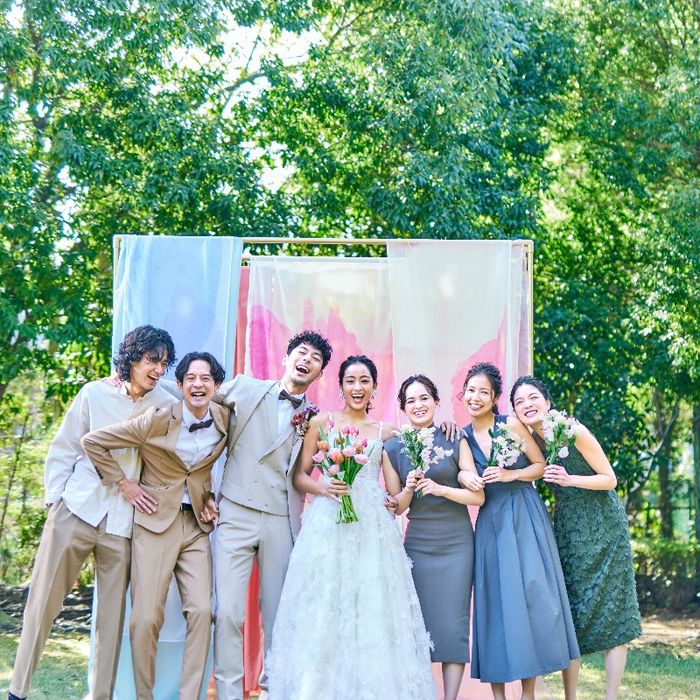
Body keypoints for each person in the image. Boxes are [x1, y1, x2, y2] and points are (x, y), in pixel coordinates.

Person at [7, 325, 176, 700]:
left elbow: (200, 397)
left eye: (164, 363)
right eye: (152, 360)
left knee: (111, 623)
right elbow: (65, 447)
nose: (159, 369)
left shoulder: (166, 402)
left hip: (123, 524)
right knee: (43, 603)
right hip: (77, 509)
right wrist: (55, 502)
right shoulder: (94, 393)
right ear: (131, 358)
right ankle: (17, 691)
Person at [266, 355, 437, 700]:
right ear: (341, 386)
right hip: (328, 522)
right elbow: (299, 477)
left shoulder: (387, 432)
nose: (357, 387)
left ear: (374, 387)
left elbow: (394, 490)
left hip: (373, 528)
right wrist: (324, 487)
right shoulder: (321, 423)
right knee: (325, 602)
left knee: (372, 604)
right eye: (350, 381)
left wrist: (404, 492)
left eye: (364, 381)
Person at [81, 351, 229, 700]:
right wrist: (124, 483)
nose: (198, 384)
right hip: (153, 524)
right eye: (190, 378)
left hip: (195, 526)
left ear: (216, 386)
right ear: (179, 385)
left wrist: (209, 497)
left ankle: (190, 696)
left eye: (206, 378)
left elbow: (199, 471)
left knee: (203, 611)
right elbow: (93, 442)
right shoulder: (156, 419)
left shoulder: (224, 418)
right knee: (145, 619)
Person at [212, 330, 333, 700]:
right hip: (236, 511)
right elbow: (196, 398)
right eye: (301, 352)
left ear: (320, 373)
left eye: (315, 358)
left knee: (278, 613)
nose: (306, 360)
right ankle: (230, 693)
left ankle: (272, 690)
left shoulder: (316, 419)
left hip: (282, 516)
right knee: (227, 611)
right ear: (286, 357)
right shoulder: (246, 388)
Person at [511, 376, 641, 700]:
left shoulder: (573, 431)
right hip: (568, 532)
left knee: (616, 612)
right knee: (571, 616)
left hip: (604, 527)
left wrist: (570, 479)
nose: (527, 405)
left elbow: (609, 479)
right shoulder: (530, 443)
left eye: (533, 397)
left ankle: (610, 697)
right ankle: (571, 696)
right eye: (519, 402)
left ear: (547, 402)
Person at [458, 362, 579, 700]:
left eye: (484, 392)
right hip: (491, 523)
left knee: (532, 596)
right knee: (494, 602)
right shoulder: (462, 437)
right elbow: (465, 472)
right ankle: (499, 696)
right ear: (463, 394)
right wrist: (465, 477)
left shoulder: (510, 424)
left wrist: (510, 475)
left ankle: (528, 693)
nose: (476, 397)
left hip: (525, 515)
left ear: (495, 397)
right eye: (471, 390)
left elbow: (540, 465)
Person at [383, 374, 485, 700]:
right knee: (417, 625)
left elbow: (477, 496)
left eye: (424, 398)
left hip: (457, 544)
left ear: (436, 402)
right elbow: (397, 507)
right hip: (417, 545)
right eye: (411, 400)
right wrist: (409, 488)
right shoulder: (392, 448)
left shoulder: (454, 437)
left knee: (454, 625)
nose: (418, 405)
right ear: (403, 408)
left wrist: (443, 488)